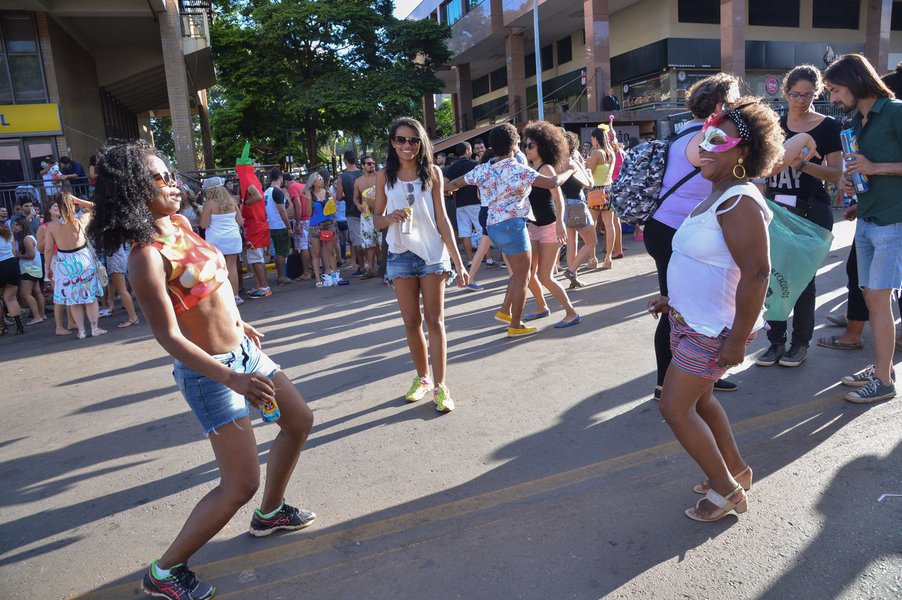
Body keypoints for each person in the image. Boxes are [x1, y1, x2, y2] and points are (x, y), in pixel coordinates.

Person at [89, 140, 315, 600]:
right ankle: (164, 571)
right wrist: (231, 377)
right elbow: (169, 336)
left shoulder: (180, 224)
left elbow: (210, 286)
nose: (172, 183)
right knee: (240, 483)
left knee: (299, 420)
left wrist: (238, 321)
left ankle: (270, 514)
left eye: (170, 174)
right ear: (133, 189)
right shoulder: (145, 256)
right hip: (213, 374)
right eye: (160, 177)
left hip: (246, 355)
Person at [648, 97, 784, 521]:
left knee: (674, 408)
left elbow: (757, 274)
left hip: (713, 331)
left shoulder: (740, 200)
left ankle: (727, 493)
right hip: (689, 320)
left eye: (717, 139)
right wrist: (674, 300)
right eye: (703, 137)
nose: (704, 146)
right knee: (702, 403)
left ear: (744, 151)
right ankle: (735, 471)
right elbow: (708, 264)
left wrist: (739, 340)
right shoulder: (717, 194)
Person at [644, 73, 742, 401]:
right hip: (674, 232)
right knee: (678, 307)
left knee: (683, 304)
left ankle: (699, 377)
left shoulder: (682, 131)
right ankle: (668, 384)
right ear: (719, 105)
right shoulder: (708, 136)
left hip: (665, 228)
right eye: (732, 103)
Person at [374, 117, 469, 411]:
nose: (407, 145)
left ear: (422, 143)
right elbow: (376, 220)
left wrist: (459, 262)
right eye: (401, 140)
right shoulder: (384, 176)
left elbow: (442, 219)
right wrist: (389, 218)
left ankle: (441, 387)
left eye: (414, 140)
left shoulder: (434, 174)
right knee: (411, 322)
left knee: (434, 320)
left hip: (432, 255)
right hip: (400, 255)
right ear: (392, 143)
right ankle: (422, 378)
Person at [824, 54, 902, 403]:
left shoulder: (896, 111)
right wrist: (853, 185)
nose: (833, 98)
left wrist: (875, 166)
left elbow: (878, 166)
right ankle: (882, 367)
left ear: (856, 81)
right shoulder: (857, 119)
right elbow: (864, 170)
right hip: (869, 219)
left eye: (835, 89)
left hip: (892, 222)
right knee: (873, 300)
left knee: (878, 300)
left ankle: (884, 381)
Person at [755, 65, 844, 368]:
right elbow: (762, 172)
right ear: (785, 92)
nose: (801, 101)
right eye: (795, 94)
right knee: (770, 278)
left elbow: (835, 174)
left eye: (808, 95)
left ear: (816, 94)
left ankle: (799, 344)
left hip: (810, 210)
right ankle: (775, 342)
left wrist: (802, 165)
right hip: (774, 211)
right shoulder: (775, 125)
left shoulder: (827, 126)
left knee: (803, 282)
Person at [449, 123, 573, 337]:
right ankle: (515, 324)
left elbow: (454, 184)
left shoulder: (483, 168)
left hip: (492, 227)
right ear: (515, 145)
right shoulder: (519, 170)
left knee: (517, 274)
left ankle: (506, 312)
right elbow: (553, 182)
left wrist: (440, 190)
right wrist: (571, 169)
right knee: (523, 277)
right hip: (514, 227)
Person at [519, 121, 580, 328]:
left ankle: (571, 312)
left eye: (531, 145)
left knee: (545, 276)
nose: (526, 149)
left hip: (548, 227)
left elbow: (558, 197)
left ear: (543, 146)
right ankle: (542, 306)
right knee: (528, 273)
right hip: (533, 226)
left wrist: (560, 225)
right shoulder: (531, 167)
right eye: (525, 145)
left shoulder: (545, 168)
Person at [560, 131, 597, 287]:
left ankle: (573, 277)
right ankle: (572, 270)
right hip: (577, 204)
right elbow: (590, 184)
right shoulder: (572, 163)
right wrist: (588, 172)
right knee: (592, 241)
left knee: (572, 242)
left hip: (565, 204)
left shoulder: (558, 163)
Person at [201, 181, 244, 305]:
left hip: (216, 240)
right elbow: (240, 221)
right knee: (232, 267)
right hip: (233, 237)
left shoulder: (209, 203)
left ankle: (222, 299)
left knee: (218, 268)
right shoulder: (232, 201)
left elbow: (204, 225)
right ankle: (235, 296)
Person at [443, 142, 481, 272]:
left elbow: (445, 185)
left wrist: (452, 190)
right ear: (468, 150)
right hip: (475, 201)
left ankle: (470, 260)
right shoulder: (475, 165)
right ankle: (487, 258)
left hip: (459, 203)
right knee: (482, 231)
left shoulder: (451, 168)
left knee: (465, 233)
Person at [587, 125, 619, 269]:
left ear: (595, 139)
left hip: (595, 190)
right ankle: (608, 258)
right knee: (609, 224)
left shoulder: (596, 153)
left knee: (591, 225)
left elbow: (590, 172)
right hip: (609, 188)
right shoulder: (611, 152)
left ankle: (592, 259)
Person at [240, 163, 272, 299]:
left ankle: (264, 287)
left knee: (256, 258)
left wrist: (246, 203)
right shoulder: (253, 178)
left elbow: (258, 196)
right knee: (258, 257)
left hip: (254, 226)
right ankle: (261, 285)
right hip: (259, 223)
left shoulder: (247, 180)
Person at [305, 172, 342, 287]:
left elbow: (334, 209)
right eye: (318, 179)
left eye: (321, 179)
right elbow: (309, 213)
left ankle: (334, 275)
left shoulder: (328, 192)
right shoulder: (310, 195)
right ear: (313, 182)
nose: (321, 181)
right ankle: (318, 279)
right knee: (316, 253)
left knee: (330, 251)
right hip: (316, 225)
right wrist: (309, 200)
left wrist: (332, 205)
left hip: (328, 223)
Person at [11, 219, 46, 325]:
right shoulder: (30, 237)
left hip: (29, 269)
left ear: (22, 226)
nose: (15, 227)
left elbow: (31, 255)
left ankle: (36, 316)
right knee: (37, 292)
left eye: (17, 225)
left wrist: (18, 255)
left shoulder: (26, 239)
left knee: (25, 294)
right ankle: (41, 314)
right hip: (35, 269)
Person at [353, 155, 380, 278]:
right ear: (363, 166)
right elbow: (355, 197)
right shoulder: (359, 181)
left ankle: (386, 268)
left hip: (381, 213)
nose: (372, 165)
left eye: (373, 162)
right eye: (369, 163)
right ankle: (371, 269)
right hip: (367, 215)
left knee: (384, 241)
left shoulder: (380, 177)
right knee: (369, 243)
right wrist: (359, 206)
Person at [263, 170, 292, 285]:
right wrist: (288, 227)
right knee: (282, 252)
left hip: (271, 225)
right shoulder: (277, 192)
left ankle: (280, 275)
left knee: (277, 252)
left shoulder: (266, 192)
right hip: (280, 225)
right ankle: (281, 276)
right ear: (280, 178)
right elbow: (282, 210)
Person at [0, 221, 25, 334]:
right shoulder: (8, 233)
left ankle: (1, 326)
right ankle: (19, 326)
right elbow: (14, 251)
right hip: (12, 263)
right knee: (11, 298)